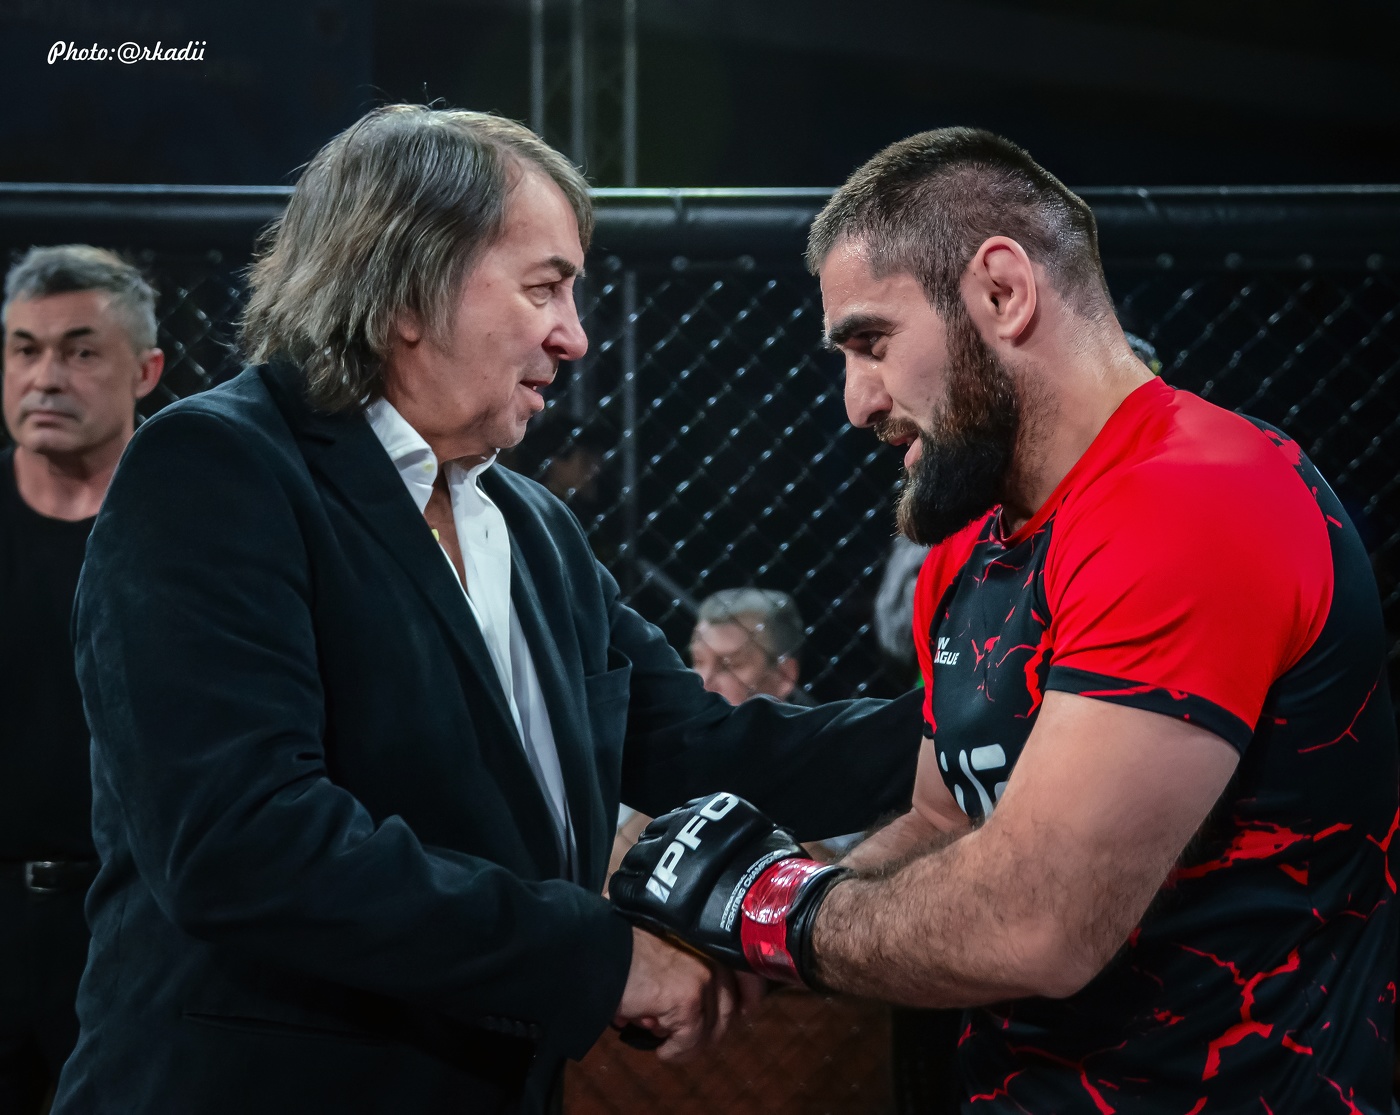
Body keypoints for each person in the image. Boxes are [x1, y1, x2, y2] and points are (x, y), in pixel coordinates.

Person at [50, 105, 923, 1115]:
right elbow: (244, 842)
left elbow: (698, 743)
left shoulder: (532, 524)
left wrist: (970, 721)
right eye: (544, 287)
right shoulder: (215, 469)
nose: (574, 334)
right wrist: (601, 958)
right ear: (407, 286)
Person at [612, 128, 1398, 1111]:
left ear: (1000, 291)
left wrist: (768, 906)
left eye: (871, 342)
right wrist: (748, 931)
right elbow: (943, 822)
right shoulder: (971, 547)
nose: (856, 401)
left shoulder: (1197, 499)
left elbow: (1038, 922)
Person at [0, 245, 164, 1113]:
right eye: (25, 349)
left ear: (146, 371)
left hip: (133, 919)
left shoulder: (191, 533)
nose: (46, 377)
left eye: (80, 350)